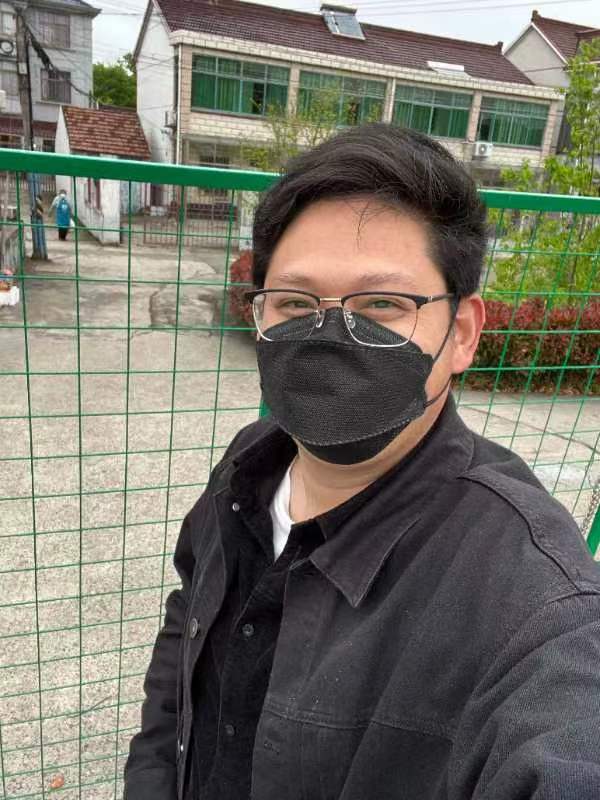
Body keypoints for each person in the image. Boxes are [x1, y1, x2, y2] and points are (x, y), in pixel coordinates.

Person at [124, 123, 600, 800]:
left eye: (382, 305)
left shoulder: (531, 599)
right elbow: (185, 634)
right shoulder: (247, 465)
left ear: (461, 334)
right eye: (294, 303)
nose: (328, 334)